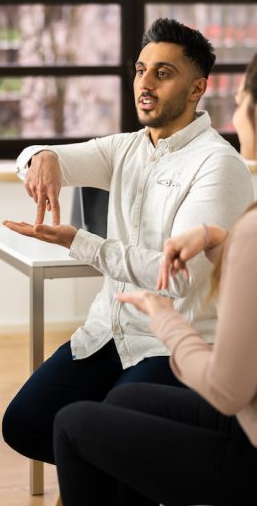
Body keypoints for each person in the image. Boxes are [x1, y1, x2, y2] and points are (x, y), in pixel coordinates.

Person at [1, 18, 254, 465]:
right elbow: (30, 160)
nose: (145, 83)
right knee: (24, 423)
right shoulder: (126, 149)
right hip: (108, 334)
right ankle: (120, 475)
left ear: (197, 89)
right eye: (140, 70)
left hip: (171, 343)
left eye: (163, 73)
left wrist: (81, 243)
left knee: (110, 430)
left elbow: (174, 279)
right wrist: (41, 158)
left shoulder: (219, 164)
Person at [52, 52, 257, 505]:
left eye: (241, 99)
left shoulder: (222, 173)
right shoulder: (129, 148)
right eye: (140, 70)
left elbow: (227, 390)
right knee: (122, 408)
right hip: (241, 411)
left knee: (73, 424)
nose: (237, 111)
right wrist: (217, 237)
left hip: (247, 444)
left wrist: (166, 319)